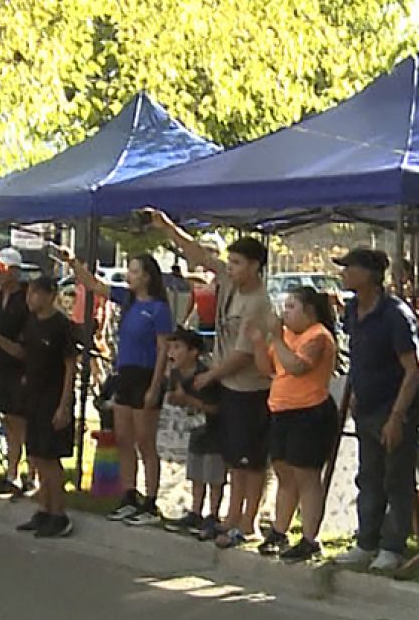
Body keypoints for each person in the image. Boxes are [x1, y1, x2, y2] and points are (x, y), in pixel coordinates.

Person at [148, 211, 276, 550]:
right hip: (228, 387)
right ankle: (231, 516)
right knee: (234, 458)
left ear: (254, 266)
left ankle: (247, 522)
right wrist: (168, 227)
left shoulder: (259, 303)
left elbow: (244, 354)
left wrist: (210, 376)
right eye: (230, 262)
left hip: (250, 388)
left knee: (250, 460)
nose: (230, 267)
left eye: (237, 262)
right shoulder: (230, 283)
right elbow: (200, 256)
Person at [55, 248, 173, 523]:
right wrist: (73, 261)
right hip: (125, 374)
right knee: (123, 438)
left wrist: (155, 386)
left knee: (145, 441)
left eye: (134, 271)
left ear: (147, 277)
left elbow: (163, 349)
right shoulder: (128, 300)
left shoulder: (158, 309)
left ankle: (151, 500)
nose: (129, 276)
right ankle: (129, 493)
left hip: (146, 374)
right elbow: (94, 284)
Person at [325, 249, 419, 573]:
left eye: (349, 267)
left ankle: (393, 545)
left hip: (393, 410)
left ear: (369, 274)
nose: (344, 273)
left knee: (397, 479)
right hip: (365, 408)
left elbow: (412, 368)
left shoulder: (395, 314)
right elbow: (357, 357)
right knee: (369, 477)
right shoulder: (353, 310)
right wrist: (351, 395)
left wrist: (397, 416)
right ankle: (367, 542)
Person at [253, 286, 339, 562]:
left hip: (309, 412)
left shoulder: (318, 336)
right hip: (281, 410)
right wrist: (258, 342)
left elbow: (298, 366)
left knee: (306, 475)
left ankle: (311, 537)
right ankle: (280, 530)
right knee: (284, 472)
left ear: (309, 311)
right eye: (284, 307)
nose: (285, 313)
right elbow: (267, 369)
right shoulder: (285, 336)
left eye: (291, 307)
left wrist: (276, 338)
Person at [0, 275, 78, 538]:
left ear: (50, 295)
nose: (30, 299)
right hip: (32, 398)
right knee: (36, 455)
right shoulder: (31, 323)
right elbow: (23, 353)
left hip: (52, 398)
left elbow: (70, 365)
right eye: (29, 295)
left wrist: (64, 404)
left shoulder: (60, 326)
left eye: (35, 294)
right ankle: (44, 510)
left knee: (51, 459)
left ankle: (59, 514)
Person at [161, 329, 228, 539]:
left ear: (193, 352)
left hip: (215, 432)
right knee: (196, 472)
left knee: (214, 475)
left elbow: (217, 408)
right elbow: (173, 397)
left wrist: (191, 402)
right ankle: (195, 511)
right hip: (194, 430)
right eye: (170, 347)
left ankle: (213, 514)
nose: (172, 352)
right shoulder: (175, 373)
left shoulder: (204, 375)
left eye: (177, 347)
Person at [0, 248, 34, 496]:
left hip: (22, 367)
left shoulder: (26, 298)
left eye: (1, 268)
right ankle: (12, 472)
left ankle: (28, 474)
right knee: (8, 419)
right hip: (2, 365)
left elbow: (25, 341)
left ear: (14, 271)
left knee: (22, 421)